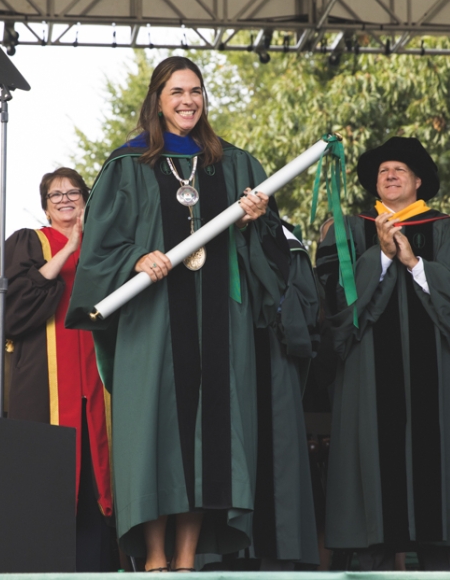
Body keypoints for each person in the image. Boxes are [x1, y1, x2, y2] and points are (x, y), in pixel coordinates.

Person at [66, 56, 288, 571]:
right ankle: (155, 558)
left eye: (196, 91)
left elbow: (270, 252)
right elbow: (101, 245)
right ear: (157, 99)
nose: (188, 101)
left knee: (207, 438)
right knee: (156, 434)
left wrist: (256, 221)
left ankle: (187, 558)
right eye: (176, 92)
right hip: (154, 322)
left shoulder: (232, 164)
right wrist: (134, 257)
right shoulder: (129, 164)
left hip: (219, 325)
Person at [316, 136, 450, 571]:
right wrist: (383, 258)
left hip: (436, 373)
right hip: (368, 372)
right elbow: (331, 304)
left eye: (400, 170)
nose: (390, 176)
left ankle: (439, 554)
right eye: (382, 171)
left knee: (435, 495)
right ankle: (371, 550)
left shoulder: (447, 229)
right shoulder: (348, 228)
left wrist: (414, 264)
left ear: (418, 181)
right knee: (374, 481)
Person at [0, 168, 116, 571]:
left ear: (87, 198)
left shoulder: (107, 244)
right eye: (55, 194)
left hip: (101, 381)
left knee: (99, 476)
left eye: (73, 192)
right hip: (44, 381)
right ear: (45, 204)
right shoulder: (28, 242)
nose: (65, 199)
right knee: (49, 476)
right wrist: (69, 250)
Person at [251, 221, 320, 569]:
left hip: (269, 353)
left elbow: (303, 301)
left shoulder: (283, 238)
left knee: (275, 450)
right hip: (221, 357)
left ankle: (277, 555)